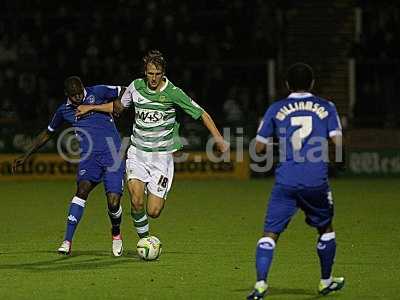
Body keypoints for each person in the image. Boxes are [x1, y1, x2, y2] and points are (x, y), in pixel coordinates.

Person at [75, 49, 228, 239]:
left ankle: (149, 219)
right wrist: (90, 107)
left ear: (163, 73)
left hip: (161, 157)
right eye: (150, 73)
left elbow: (202, 114)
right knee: (136, 201)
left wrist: (219, 139)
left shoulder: (173, 93)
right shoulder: (135, 87)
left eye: (157, 74)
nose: (153, 78)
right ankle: (145, 241)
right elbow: (117, 107)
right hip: (137, 153)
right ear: (145, 72)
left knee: (154, 211)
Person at [247, 63, 345, 299]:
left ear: (287, 85)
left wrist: (280, 143)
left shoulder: (276, 108)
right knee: (325, 229)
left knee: (270, 234)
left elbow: (258, 148)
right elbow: (338, 143)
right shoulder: (326, 107)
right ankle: (325, 281)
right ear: (312, 83)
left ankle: (260, 284)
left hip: (286, 180)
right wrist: (337, 164)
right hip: (315, 180)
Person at [12, 76, 126, 257]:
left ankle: (116, 233)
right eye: (74, 95)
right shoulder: (63, 110)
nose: (79, 96)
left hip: (113, 153)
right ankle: (67, 240)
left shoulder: (98, 91)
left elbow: (126, 90)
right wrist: (26, 154)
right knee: (81, 191)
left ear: (83, 87)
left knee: (113, 202)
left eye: (80, 92)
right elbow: (47, 134)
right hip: (89, 157)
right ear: (67, 94)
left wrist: (117, 106)